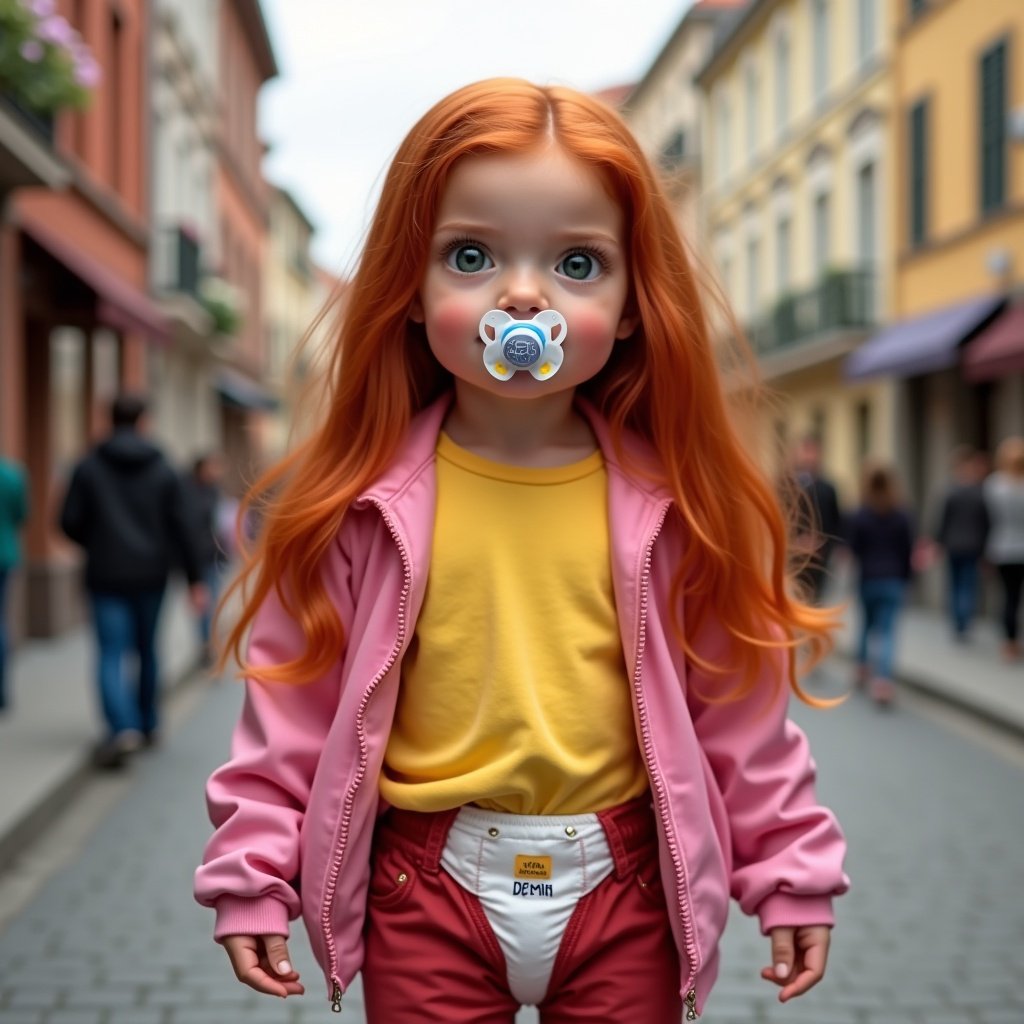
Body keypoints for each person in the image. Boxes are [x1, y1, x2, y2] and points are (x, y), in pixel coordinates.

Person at [193, 79, 849, 1022]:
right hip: (424, 889)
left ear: (633, 305)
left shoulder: (677, 508)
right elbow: (292, 703)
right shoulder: (360, 506)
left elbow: (741, 717)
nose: (525, 296)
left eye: (579, 263)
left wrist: (790, 867)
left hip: (626, 886)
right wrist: (253, 867)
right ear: (410, 292)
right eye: (471, 255)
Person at [60, 393, 206, 765]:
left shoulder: (88, 466)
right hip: (152, 575)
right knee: (147, 649)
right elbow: (183, 526)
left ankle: (121, 727)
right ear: (143, 422)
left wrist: (97, 542)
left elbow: (68, 521)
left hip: (105, 573)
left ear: (110, 421)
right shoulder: (163, 468)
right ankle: (148, 724)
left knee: (110, 652)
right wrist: (194, 579)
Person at [847, 463, 915, 705]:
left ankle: (862, 667)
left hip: (869, 578)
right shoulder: (901, 515)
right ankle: (883, 681)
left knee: (866, 626)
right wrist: (908, 578)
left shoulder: (861, 514)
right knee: (887, 631)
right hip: (894, 579)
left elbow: (853, 549)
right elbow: (908, 550)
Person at [932, 444, 989, 641]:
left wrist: (938, 542)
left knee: (955, 584)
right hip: (972, 545)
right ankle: (964, 623)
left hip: (954, 545)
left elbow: (942, 521)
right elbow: (985, 523)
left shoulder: (951, 491)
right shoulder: (980, 492)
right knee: (967, 585)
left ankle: (958, 623)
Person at [181, 452, 229, 666]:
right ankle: (206, 644)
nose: (216, 472)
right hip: (197, 556)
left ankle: (208, 643)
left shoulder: (214, 492)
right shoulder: (189, 493)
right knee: (204, 602)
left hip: (212, 555)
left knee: (212, 601)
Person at [983, 436, 1024, 662]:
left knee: (1009, 597)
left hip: (1002, 547)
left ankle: (1009, 642)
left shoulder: (994, 484)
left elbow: (988, 518)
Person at [791, 435, 843, 605]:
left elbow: (835, 521)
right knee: (799, 597)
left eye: (812, 451)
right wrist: (796, 540)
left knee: (817, 599)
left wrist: (823, 543)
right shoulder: (790, 485)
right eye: (806, 451)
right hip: (796, 553)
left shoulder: (828, 488)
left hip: (821, 554)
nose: (809, 456)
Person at [0, 456, 29, 712]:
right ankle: (1, 691)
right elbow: (22, 515)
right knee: (1, 622)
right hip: (5, 554)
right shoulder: (12, 476)